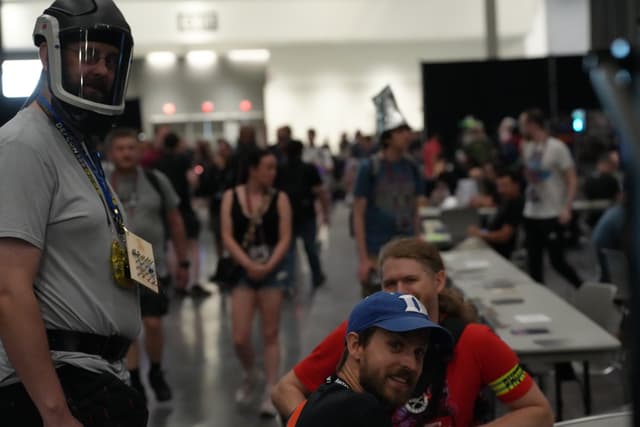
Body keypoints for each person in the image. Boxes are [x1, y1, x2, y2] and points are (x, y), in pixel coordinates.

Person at [0, 1, 148, 426]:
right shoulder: (24, 146)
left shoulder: (76, 147)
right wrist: (55, 412)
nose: (101, 69)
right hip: (57, 391)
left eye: (110, 58)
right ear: (47, 52)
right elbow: (9, 290)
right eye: (87, 54)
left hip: (100, 381)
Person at [272, 238, 553, 427]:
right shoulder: (363, 332)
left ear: (439, 281)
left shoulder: (475, 340)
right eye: (390, 283)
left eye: (410, 280)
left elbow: (539, 413)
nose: (400, 292)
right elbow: (286, 389)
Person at [107, 128, 191, 403]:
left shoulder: (156, 180)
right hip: (114, 265)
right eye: (120, 149)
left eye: (131, 148)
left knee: (153, 324)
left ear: (140, 151)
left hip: (146, 261)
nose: (126, 154)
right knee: (127, 328)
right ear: (111, 153)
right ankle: (134, 381)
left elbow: (176, 220)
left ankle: (155, 371)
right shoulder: (102, 182)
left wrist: (183, 260)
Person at [286, 291, 451, 427]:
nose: (411, 364)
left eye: (419, 353)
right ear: (356, 345)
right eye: (396, 346)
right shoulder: (360, 410)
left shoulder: (320, 401)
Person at [220, 147, 292, 417]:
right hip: (243, 272)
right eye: (268, 168)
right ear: (253, 169)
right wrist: (249, 264)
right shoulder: (231, 197)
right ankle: (251, 373)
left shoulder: (280, 198)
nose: (273, 173)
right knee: (240, 337)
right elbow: (227, 235)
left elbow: (285, 237)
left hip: (272, 272)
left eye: (275, 168)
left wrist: (269, 265)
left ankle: (271, 388)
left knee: (271, 333)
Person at [354, 86, 424, 297]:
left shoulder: (412, 167)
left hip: (407, 249)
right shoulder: (370, 168)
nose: (407, 136)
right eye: (401, 131)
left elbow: (416, 209)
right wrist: (364, 258)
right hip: (377, 252)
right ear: (387, 137)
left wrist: (419, 241)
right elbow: (358, 214)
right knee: (377, 316)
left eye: (407, 131)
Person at [519, 108, 582, 288]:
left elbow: (571, 179)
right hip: (532, 211)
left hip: (552, 212)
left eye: (523, 124)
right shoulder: (528, 146)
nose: (521, 128)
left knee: (558, 262)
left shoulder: (557, 147)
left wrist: (567, 207)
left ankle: (583, 288)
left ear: (532, 124)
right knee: (534, 265)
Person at [156, 132, 210, 297]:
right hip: (184, 206)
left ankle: (178, 283)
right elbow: (192, 180)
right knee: (192, 245)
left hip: (166, 208)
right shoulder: (184, 159)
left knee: (172, 246)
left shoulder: (160, 163)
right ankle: (194, 282)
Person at [277, 140, 330, 291]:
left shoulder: (281, 170)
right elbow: (320, 192)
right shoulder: (309, 168)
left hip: (287, 216)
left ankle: (288, 282)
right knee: (310, 248)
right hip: (306, 214)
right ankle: (317, 276)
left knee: (289, 251)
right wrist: (325, 213)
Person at [468, 169, 525, 259]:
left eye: (505, 186)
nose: (501, 190)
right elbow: (492, 229)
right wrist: (480, 231)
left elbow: (504, 236)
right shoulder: (505, 200)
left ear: (516, 185)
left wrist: (480, 234)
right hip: (489, 244)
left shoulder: (516, 204)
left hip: (498, 251)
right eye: (499, 186)